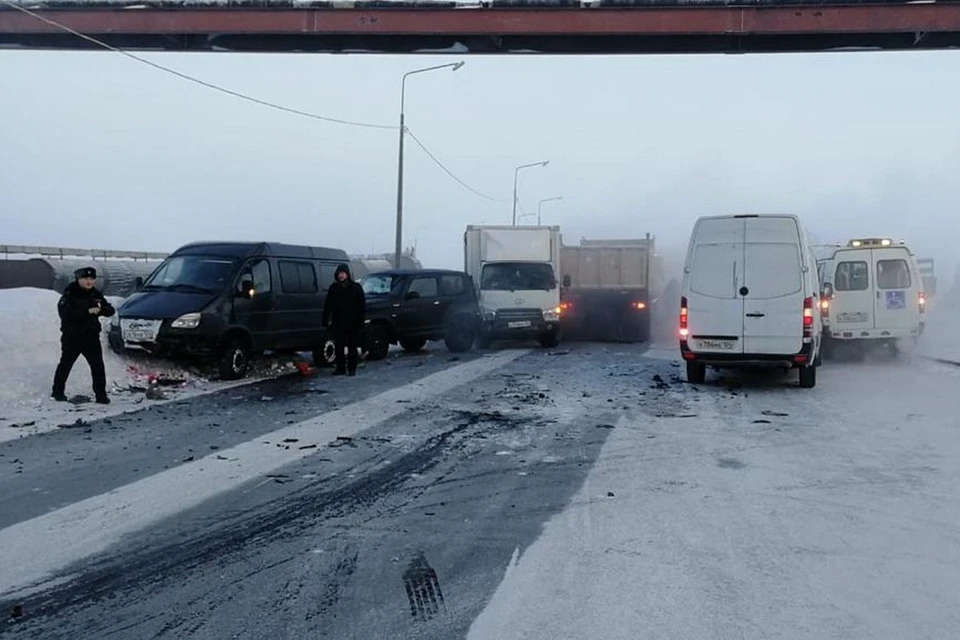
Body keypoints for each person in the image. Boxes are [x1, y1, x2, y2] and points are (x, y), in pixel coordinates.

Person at [52, 266, 115, 404]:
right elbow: (66, 314)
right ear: (78, 279)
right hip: (72, 337)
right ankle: (57, 392)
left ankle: (101, 395)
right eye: (85, 279)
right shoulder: (70, 293)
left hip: (91, 337)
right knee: (66, 364)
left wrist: (101, 310)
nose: (89, 282)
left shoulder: (95, 294)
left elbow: (110, 310)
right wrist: (87, 311)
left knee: (98, 366)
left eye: (92, 279)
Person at [322, 263, 366, 376]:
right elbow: (328, 306)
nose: (341, 275)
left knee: (352, 348)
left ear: (347, 274)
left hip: (353, 323)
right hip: (338, 323)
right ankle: (340, 368)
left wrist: (360, 323)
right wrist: (326, 320)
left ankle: (352, 369)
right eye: (339, 273)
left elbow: (361, 307)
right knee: (339, 347)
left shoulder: (356, 288)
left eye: (343, 273)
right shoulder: (334, 288)